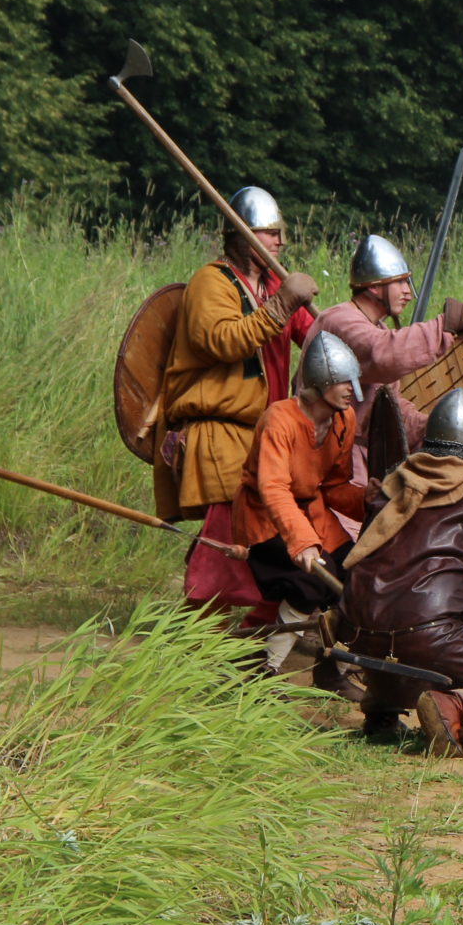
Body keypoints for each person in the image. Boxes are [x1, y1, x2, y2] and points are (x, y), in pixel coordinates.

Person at [342, 389, 463, 756]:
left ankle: (382, 711)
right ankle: (458, 710)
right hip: (433, 638)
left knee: (397, 639)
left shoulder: (392, 485)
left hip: (361, 632)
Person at [153, 187, 317, 629]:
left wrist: (354, 335)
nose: (279, 242)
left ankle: (264, 620)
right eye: (268, 234)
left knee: (274, 530)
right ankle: (200, 627)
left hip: (265, 433)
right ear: (242, 237)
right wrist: (283, 304)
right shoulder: (213, 281)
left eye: (280, 234)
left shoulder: (272, 285)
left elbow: (317, 339)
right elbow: (223, 340)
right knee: (232, 531)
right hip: (219, 431)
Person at [231, 333, 369, 690]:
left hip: (314, 515)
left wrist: (369, 499)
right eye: (343, 381)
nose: (351, 389)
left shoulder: (344, 419)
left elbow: (335, 486)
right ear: (321, 382)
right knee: (309, 583)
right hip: (265, 518)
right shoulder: (279, 419)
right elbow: (273, 488)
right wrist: (301, 542)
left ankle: (330, 668)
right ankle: (264, 670)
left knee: (357, 577)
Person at [301, 234, 463, 470]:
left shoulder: (375, 328)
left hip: (354, 456)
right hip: (322, 455)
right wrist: (448, 323)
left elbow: (385, 404)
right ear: (375, 287)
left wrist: (430, 428)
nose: (408, 291)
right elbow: (383, 353)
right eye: (400, 283)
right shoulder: (340, 321)